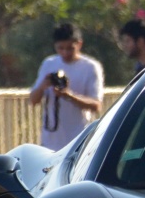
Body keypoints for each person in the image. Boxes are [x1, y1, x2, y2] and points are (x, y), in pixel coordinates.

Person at [29, 22, 104, 151]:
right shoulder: (49, 64)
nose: (65, 52)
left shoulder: (90, 67)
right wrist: (43, 86)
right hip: (50, 142)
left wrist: (69, 95)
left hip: (78, 140)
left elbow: (96, 105)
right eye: (60, 48)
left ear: (79, 44)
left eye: (70, 48)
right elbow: (33, 100)